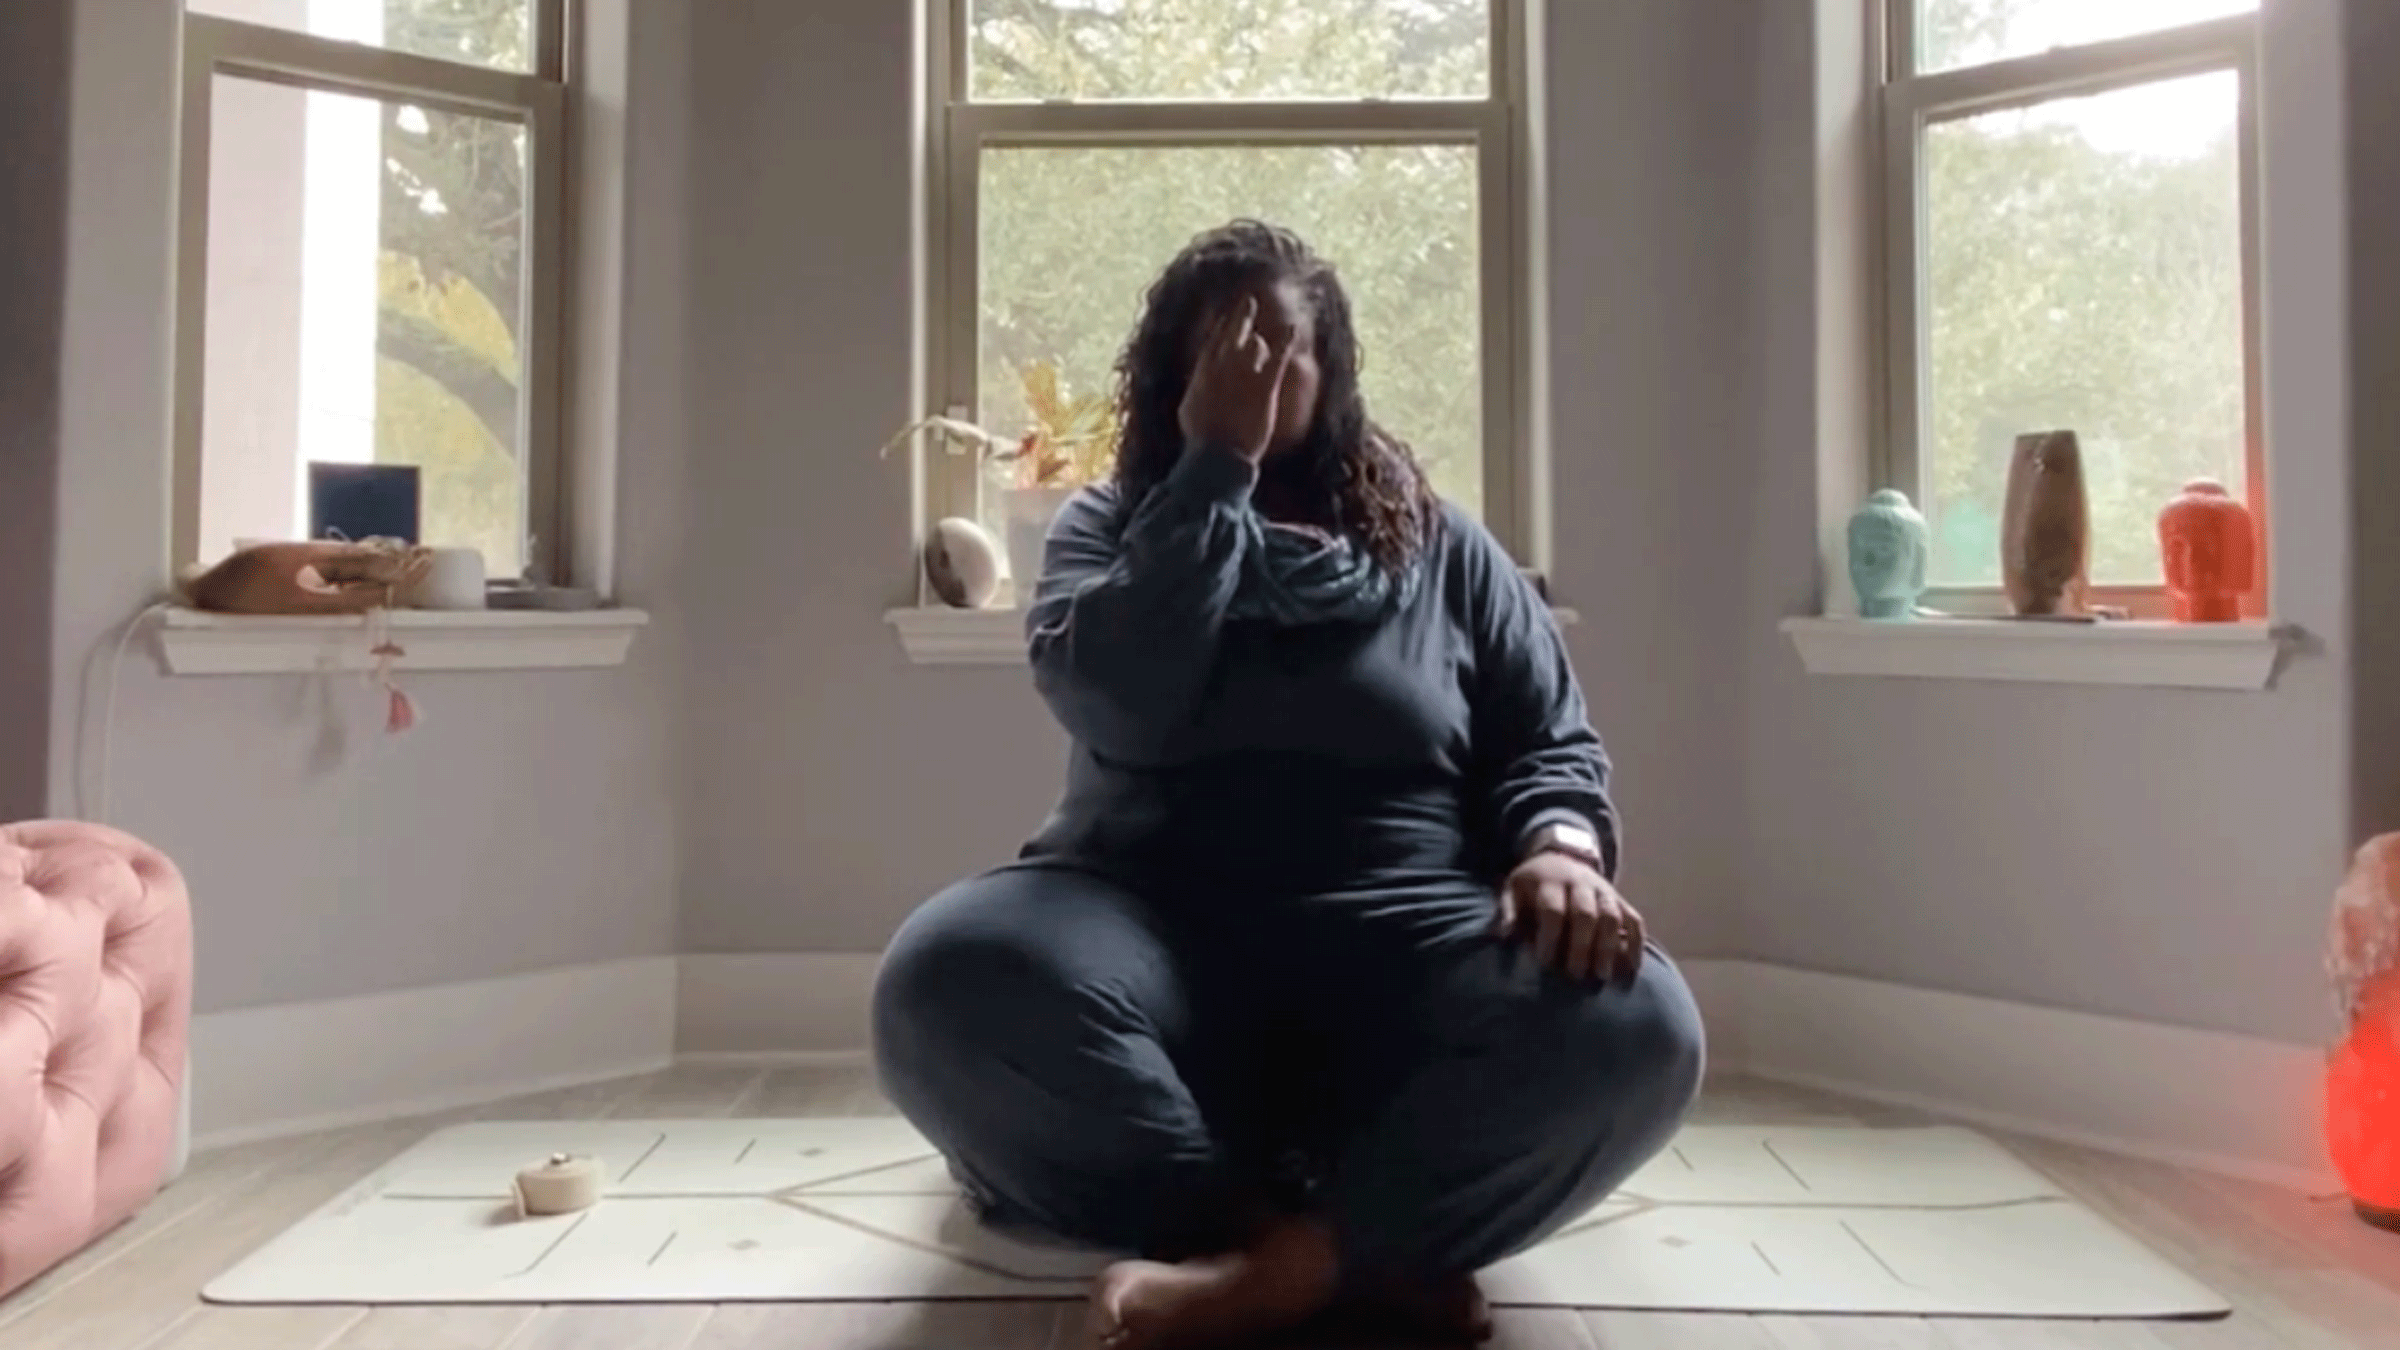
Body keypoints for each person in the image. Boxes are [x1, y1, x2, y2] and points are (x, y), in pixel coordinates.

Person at [873, 221, 1705, 1349]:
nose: (1249, 371)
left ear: (1334, 366)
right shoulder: (1109, 528)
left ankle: (1290, 1267)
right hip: (1140, 909)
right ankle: (1326, 1244)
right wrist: (1215, 472)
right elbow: (1119, 697)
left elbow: (1548, 739)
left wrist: (1559, 846)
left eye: (1275, 344)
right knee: (945, 978)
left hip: (1404, 930)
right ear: (1174, 377)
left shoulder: (1445, 545)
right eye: (1216, 350)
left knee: (1638, 1017)